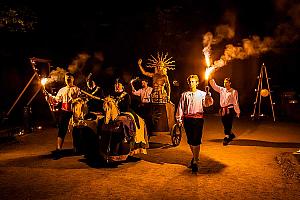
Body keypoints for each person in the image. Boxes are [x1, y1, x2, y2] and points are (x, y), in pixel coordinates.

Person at [176, 75, 213, 173]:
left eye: (193, 81)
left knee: (196, 140)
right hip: (187, 119)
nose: (191, 83)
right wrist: (179, 119)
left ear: (197, 83)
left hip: (198, 119)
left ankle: (196, 161)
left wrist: (208, 96)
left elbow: (207, 104)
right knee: (190, 140)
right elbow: (180, 107)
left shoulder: (202, 94)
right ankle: (195, 156)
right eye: (190, 82)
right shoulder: (185, 94)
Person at [48, 72, 81, 159]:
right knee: (62, 129)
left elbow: (81, 101)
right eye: (66, 79)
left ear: (73, 79)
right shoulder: (62, 90)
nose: (68, 80)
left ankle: (76, 148)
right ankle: (58, 149)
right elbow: (56, 101)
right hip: (64, 112)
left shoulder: (77, 89)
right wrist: (51, 97)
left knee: (76, 130)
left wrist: (76, 99)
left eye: (69, 78)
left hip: (74, 112)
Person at [209, 77, 240, 146]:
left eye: (227, 82)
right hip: (223, 109)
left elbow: (235, 102)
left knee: (228, 123)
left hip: (230, 109)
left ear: (230, 83)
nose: (225, 84)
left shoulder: (234, 91)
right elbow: (214, 86)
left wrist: (237, 111)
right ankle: (230, 134)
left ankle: (227, 136)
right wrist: (210, 78)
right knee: (224, 122)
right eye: (224, 82)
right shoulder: (222, 90)